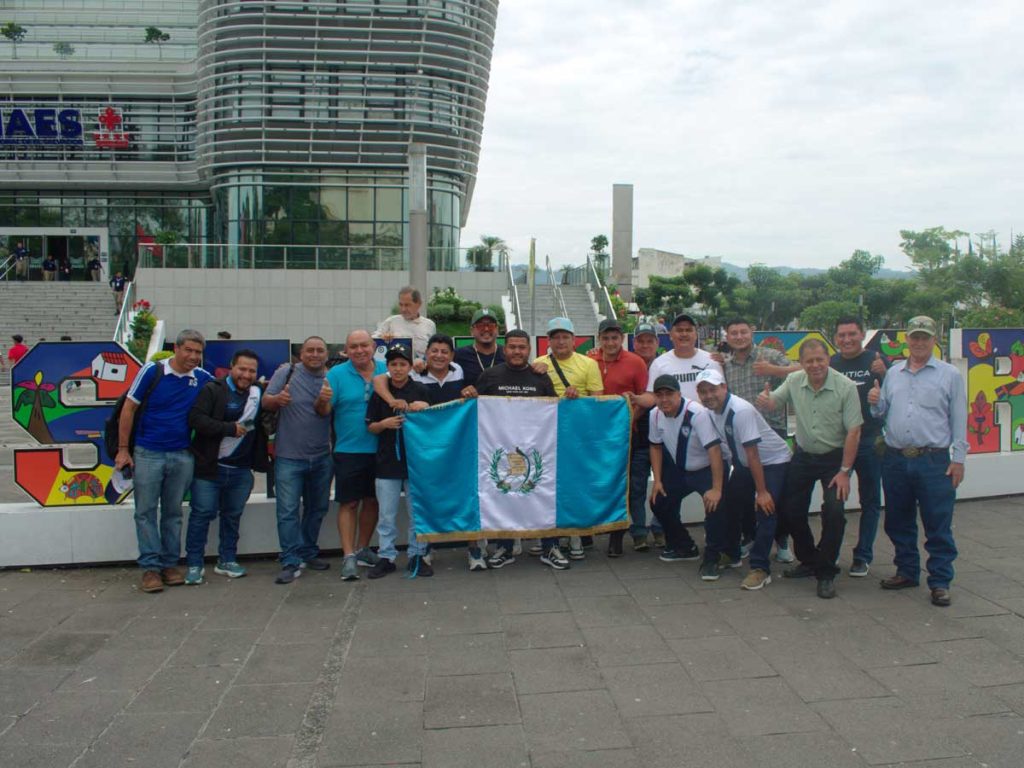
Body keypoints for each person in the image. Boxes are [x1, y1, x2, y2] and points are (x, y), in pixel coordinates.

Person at [868, 315, 967, 607]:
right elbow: (881, 413)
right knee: (898, 520)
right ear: (907, 340)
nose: (919, 342)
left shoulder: (949, 375)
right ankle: (907, 570)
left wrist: (958, 459)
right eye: (915, 337)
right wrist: (875, 401)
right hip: (896, 458)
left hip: (933, 459)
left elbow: (959, 419)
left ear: (934, 340)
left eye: (925, 337)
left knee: (937, 522)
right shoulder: (894, 373)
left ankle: (939, 580)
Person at [757, 338, 863, 599]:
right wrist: (765, 399)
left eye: (820, 360)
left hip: (835, 460)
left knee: (835, 511)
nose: (815, 365)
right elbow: (774, 403)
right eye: (809, 361)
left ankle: (826, 572)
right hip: (804, 456)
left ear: (828, 359)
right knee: (790, 509)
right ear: (801, 363)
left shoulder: (846, 387)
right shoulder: (795, 381)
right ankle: (809, 559)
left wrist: (844, 471)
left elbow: (854, 431)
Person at [115, 330, 212, 593]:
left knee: (173, 513)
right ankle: (149, 568)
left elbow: (227, 392)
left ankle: (170, 564)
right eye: (188, 350)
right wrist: (124, 449)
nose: (193, 356)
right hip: (148, 453)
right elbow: (129, 408)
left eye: (198, 352)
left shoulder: (201, 378)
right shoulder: (152, 371)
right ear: (176, 349)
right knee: (145, 512)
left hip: (182, 454)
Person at [469, 329, 559, 569]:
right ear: (504, 348)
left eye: (522, 347)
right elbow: (475, 411)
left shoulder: (540, 376)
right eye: (512, 347)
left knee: (543, 495)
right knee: (502, 495)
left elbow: (555, 412)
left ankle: (550, 547)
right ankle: (505, 548)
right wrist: (468, 395)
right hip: (500, 451)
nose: (517, 352)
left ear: (529, 350)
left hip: (537, 450)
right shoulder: (490, 376)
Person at [712, 318, 800, 562]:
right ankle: (750, 538)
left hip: (772, 431)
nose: (739, 337)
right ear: (727, 336)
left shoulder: (769, 355)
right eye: (734, 333)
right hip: (742, 438)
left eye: (743, 332)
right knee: (742, 493)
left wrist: (776, 371)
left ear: (752, 333)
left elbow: (805, 369)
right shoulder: (727, 365)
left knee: (774, 495)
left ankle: (781, 540)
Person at [696, 369, 791, 590]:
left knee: (765, 509)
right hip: (744, 464)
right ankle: (732, 553)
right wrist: (720, 486)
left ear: (724, 388)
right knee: (728, 503)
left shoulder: (740, 410)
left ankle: (760, 568)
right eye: (703, 392)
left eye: (713, 389)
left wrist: (762, 492)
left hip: (772, 462)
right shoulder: (710, 412)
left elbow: (753, 453)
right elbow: (724, 451)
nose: (708, 395)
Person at [184, 349, 262, 584]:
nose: (246, 375)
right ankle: (194, 564)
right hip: (210, 468)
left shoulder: (257, 394)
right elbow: (196, 419)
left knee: (232, 516)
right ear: (231, 367)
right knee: (201, 515)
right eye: (242, 369)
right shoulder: (212, 389)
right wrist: (229, 429)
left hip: (241, 470)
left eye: (252, 371)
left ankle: (227, 559)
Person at [262, 336, 334, 585]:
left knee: (318, 508)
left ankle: (308, 551)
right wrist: (277, 400)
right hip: (288, 456)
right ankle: (290, 559)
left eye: (320, 351)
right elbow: (266, 401)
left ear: (326, 354)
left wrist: (323, 401)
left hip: (322, 456)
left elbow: (324, 412)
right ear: (301, 354)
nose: (315, 354)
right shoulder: (287, 371)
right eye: (310, 350)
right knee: (287, 511)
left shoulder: (330, 378)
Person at [534, 316, 604, 559]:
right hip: (545, 437)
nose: (560, 341)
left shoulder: (588, 364)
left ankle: (575, 535)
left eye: (565, 336)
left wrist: (578, 398)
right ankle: (545, 534)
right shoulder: (538, 363)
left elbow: (598, 402)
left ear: (574, 340)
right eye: (555, 337)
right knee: (545, 484)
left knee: (573, 485)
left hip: (576, 436)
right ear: (548, 341)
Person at [366, 344, 432, 579]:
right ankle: (387, 556)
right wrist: (384, 424)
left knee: (417, 512)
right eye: (393, 364)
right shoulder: (380, 393)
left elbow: (433, 422)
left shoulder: (421, 390)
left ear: (410, 367)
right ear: (388, 367)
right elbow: (371, 427)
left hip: (415, 462)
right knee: (386, 514)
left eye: (402, 364)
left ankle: (417, 554)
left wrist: (423, 408)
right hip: (387, 462)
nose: (397, 369)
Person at [648, 374, 727, 565]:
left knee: (714, 507)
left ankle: (715, 555)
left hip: (706, 469)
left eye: (669, 394)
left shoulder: (696, 413)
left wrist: (717, 489)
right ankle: (684, 546)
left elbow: (714, 450)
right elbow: (655, 446)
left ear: (679, 394)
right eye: (659, 395)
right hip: (680, 470)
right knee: (659, 501)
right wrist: (657, 481)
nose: (664, 399)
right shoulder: (655, 414)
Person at [327, 330, 387, 581]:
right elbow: (323, 410)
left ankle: (363, 548)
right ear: (346, 350)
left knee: (372, 501)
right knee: (349, 503)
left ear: (373, 346)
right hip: (349, 450)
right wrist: (321, 401)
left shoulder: (387, 369)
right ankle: (348, 555)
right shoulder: (336, 374)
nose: (360, 350)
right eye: (354, 347)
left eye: (364, 345)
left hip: (382, 448)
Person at [832, 317, 889, 577]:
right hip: (839, 442)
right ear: (835, 338)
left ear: (862, 334)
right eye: (842, 335)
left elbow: (896, 395)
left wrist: (885, 375)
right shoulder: (832, 363)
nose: (847, 339)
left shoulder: (877, 361)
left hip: (869, 440)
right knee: (834, 500)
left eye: (852, 334)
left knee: (870, 501)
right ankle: (830, 553)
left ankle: (862, 556)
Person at [587, 318, 649, 556]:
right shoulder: (589, 360)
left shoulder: (636, 362)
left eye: (614, 338)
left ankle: (620, 537)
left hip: (626, 436)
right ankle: (589, 533)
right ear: (599, 339)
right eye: (605, 338)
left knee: (626, 486)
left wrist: (628, 420)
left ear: (621, 338)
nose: (610, 342)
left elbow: (643, 399)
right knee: (598, 485)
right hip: (594, 438)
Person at [627, 322, 666, 549]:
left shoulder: (665, 365)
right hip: (639, 437)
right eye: (640, 341)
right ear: (634, 343)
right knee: (637, 486)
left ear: (657, 343)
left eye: (649, 341)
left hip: (663, 436)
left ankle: (660, 528)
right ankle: (639, 531)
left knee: (663, 485)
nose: (644, 345)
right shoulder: (629, 364)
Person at [640, 313, 724, 404]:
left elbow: (722, 392)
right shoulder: (658, 364)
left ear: (696, 335)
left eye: (688, 330)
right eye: (679, 330)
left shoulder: (712, 360)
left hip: (707, 416)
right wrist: (635, 399)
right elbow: (652, 395)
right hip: (672, 417)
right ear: (671, 335)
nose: (684, 334)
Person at [373, 286, 436, 364]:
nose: (403, 309)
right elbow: (373, 342)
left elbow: (433, 350)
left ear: (419, 304)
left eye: (407, 305)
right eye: (401, 305)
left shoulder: (429, 325)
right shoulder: (391, 322)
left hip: (420, 370)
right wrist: (383, 337)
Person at [455, 308, 504, 388]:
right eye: (480, 326)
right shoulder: (459, 355)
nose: (486, 329)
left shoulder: (507, 354)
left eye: (491, 325)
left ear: (497, 330)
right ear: (472, 331)